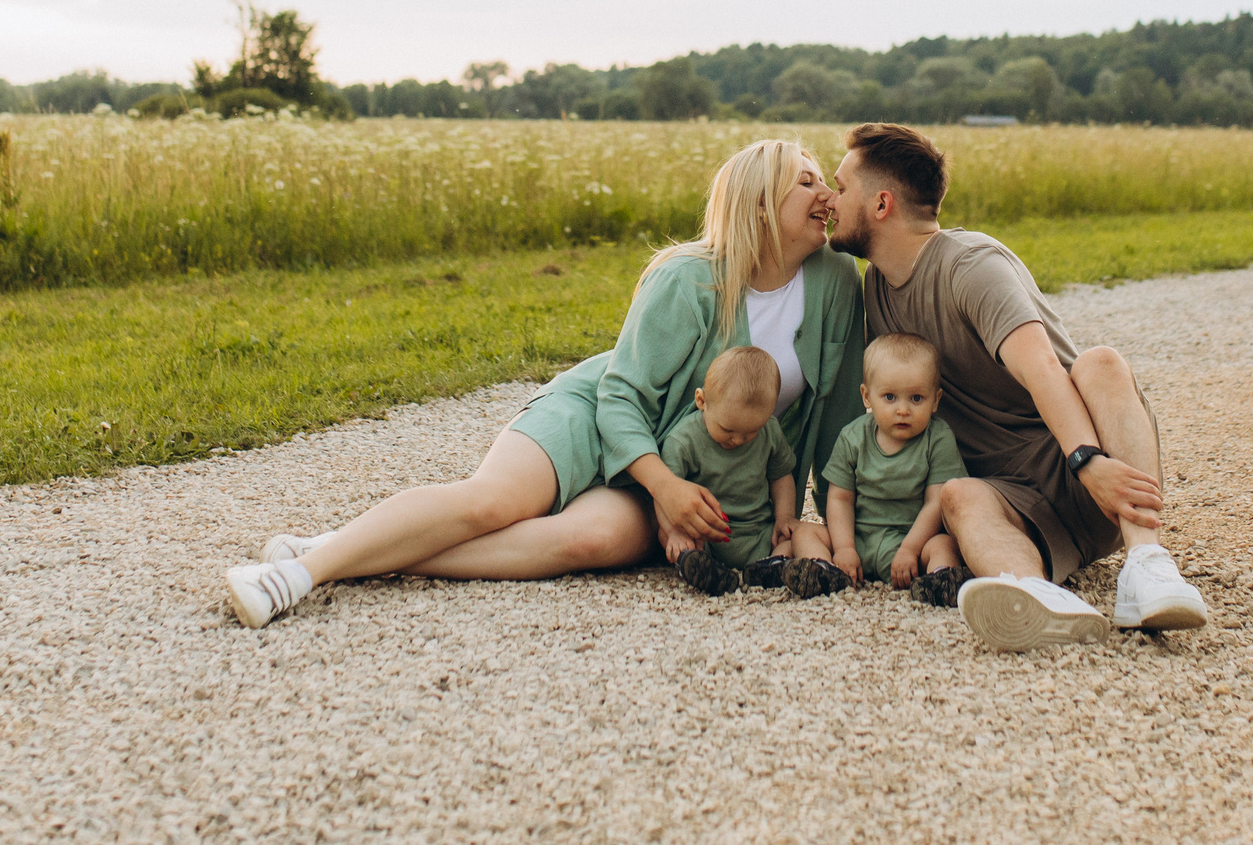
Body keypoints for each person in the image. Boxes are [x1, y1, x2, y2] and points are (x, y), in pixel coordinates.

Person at [226, 139, 865, 628]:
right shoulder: (689, 279)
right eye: (806, 181)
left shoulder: (835, 284)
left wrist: (843, 528)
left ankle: (352, 548)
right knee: (492, 505)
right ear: (758, 202)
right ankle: (299, 575)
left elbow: (836, 422)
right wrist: (665, 486)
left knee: (592, 540)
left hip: (676, 467)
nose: (826, 195)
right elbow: (621, 394)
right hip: (597, 418)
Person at [827, 122, 1211, 652]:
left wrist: (1088, 461)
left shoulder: (971, 265)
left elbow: (1042, 370)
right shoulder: (877, 290)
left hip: (1094, 473)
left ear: (882, 204)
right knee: (959, 495)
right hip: (1013, 502)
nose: (830, 197)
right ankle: (1039, 597)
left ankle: (1147, 566)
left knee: (1100, 363)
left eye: (841, 186)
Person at [793, 332, 966, 595]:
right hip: (858, 540)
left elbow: (935, 503)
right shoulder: (853, 437)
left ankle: (939, 581)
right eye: (889, 397)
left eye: (916, 398)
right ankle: (823, 571)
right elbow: (840, 500)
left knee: (945, 544)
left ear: (936, 400)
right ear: (866, 396)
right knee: (805, 533)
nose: (903, 410)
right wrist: (844, 549)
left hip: (911, 544)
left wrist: (910, 549)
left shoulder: (937, 438)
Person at [655, 346, 802, 595]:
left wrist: (784, 518)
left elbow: (780, 476)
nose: (737, 440)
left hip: (759, 531)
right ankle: (702, 569)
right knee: (672, 538)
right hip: (705, 531)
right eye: (728, 430)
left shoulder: (769, 432)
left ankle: (771, 567)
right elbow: (664, 494)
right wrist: (674, 531)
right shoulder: (683, 441)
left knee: (798, 536)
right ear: (701, 401)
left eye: (750, 432)